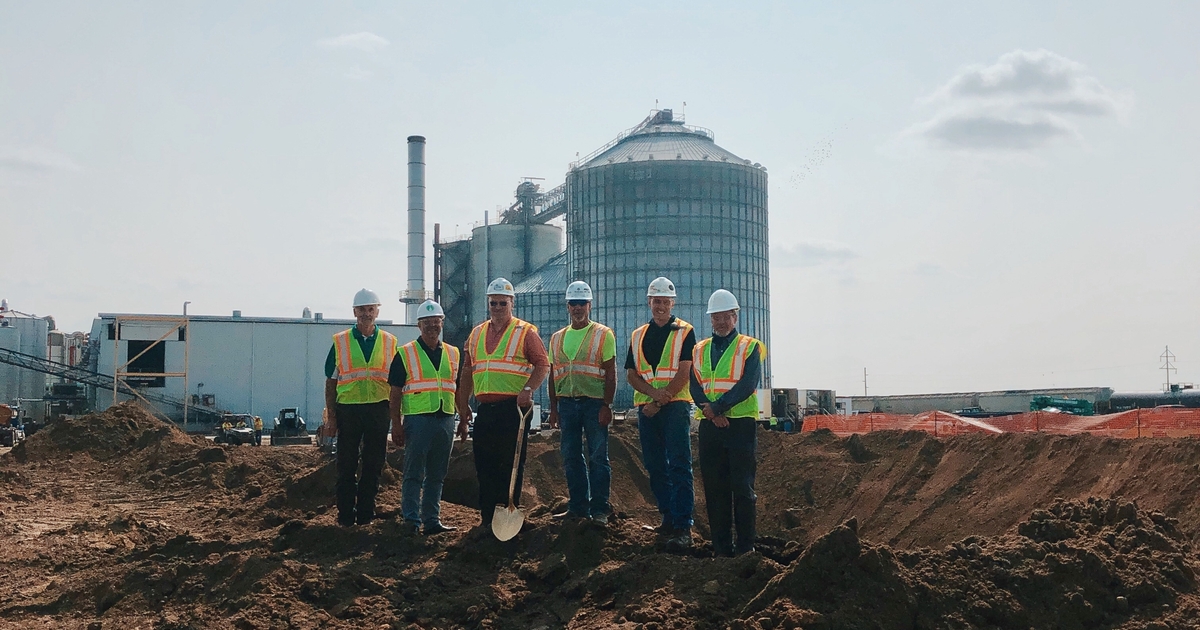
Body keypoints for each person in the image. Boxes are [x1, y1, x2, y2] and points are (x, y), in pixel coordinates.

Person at [456, 278, 550, 531]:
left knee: (510, 464)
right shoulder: (476, 334)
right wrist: (463, 404)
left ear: (511, 303)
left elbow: (543, 364)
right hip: (485, 408)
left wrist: (528, 389)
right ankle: (488, 518)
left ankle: (508, 514)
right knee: (484, 462)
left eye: (502, 303)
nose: (497, 307)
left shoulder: (525, 331)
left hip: (513, 409)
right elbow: (467, 371)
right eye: (493, 303)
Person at [690, 289, 765, 557]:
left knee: (742, 487)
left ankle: (746, 548)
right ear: (710, 319)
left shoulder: (750, 346)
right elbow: (694, 385)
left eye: (726, 317)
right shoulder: (699, 349)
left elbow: (748, 384)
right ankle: (721, 549)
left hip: (740, 426)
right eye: (716, 317)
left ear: (735, 317)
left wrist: (719, 408)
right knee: (715, 488)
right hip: (711, 427)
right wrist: (710, 412)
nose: (721, 322)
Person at [626, 276, 697, 552]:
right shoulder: (637, 335)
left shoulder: (684, 331)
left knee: (679, 465)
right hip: (648, 410)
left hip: (676, 407)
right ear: (649, 302)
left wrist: (660, 399)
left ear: (673, 303)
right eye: (656, 301)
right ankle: (668, 518)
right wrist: (653, 399)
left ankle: (683, 526)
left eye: (665, 301)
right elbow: (631, 375)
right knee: (655, 466)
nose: (661, 306)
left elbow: (685, 371)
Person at [324, 288, 398, 527]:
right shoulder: (340, 342)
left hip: (378, 409)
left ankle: (366, 515)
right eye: (362, 310)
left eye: (370, 309)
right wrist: (332, 418)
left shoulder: (390, 342)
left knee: (373, 463)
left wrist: (397, 417)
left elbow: (397, 382)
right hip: (349, 410)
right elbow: (330, 382)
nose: (366, 314)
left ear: (377, 311)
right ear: (354, 312)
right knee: (346, 463)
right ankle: (346, 516)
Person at [389, 300, 463, 536]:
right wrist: (396, 424)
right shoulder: (405, 353)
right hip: (417, 420)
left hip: (446, 418)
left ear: (442, 322)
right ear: (419, 325)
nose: (432, 326)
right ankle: (411, 519)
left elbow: (456, 387)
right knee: (414, 472)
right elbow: (394, 392)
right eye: (427, 322)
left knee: (437, 473)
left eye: (436, 321)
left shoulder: (453, 353)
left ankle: (431, 520)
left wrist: (462, 417)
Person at [547, 281, 617, 525]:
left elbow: (610, 373)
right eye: (573, 304)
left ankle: (599, 509)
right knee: (571, 456)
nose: (578, 308)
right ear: (568, 307)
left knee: (598, 456)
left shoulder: (603, 334)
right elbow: (552, 375)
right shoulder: (556, 339)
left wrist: (607, 404)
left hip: (594, 404)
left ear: (589, 305)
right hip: (567, 404)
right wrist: (553, 408)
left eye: (582, 304)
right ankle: (578, 507)